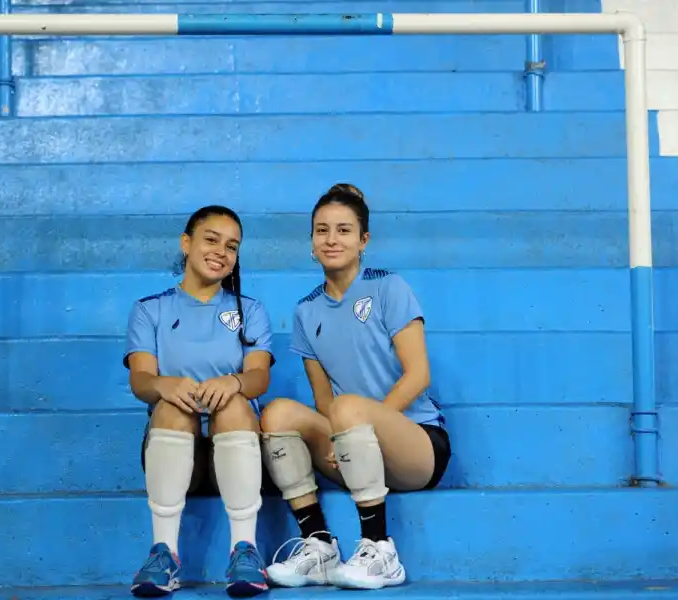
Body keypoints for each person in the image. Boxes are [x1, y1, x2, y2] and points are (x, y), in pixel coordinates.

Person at [259, 184, 451, 590]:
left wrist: (357, 424)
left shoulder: (388, 288)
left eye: (344, 230)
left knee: (347, 408)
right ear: (310, 240)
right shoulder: (305, 311)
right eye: (322, 230)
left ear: (364, 240)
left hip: (416, 445)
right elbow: (322, 400)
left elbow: (418, 375)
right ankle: (319, 546)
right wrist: (345, 433)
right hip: (354, 444)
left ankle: (380, 549)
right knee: (276, 412)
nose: (332, 240)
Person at [124, 205, 275, 598]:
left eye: (232, 246)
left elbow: (260, 377)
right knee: (172, 405)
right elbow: (139, 380)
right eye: (211, 239)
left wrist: (234, 381)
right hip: (175, 455)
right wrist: (163, 385)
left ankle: (245, 550)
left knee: (236, 402)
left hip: (237, 450)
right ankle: (164, 554)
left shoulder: (251, 311)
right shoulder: (150, 309)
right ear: (186, 243)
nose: (221, 252)